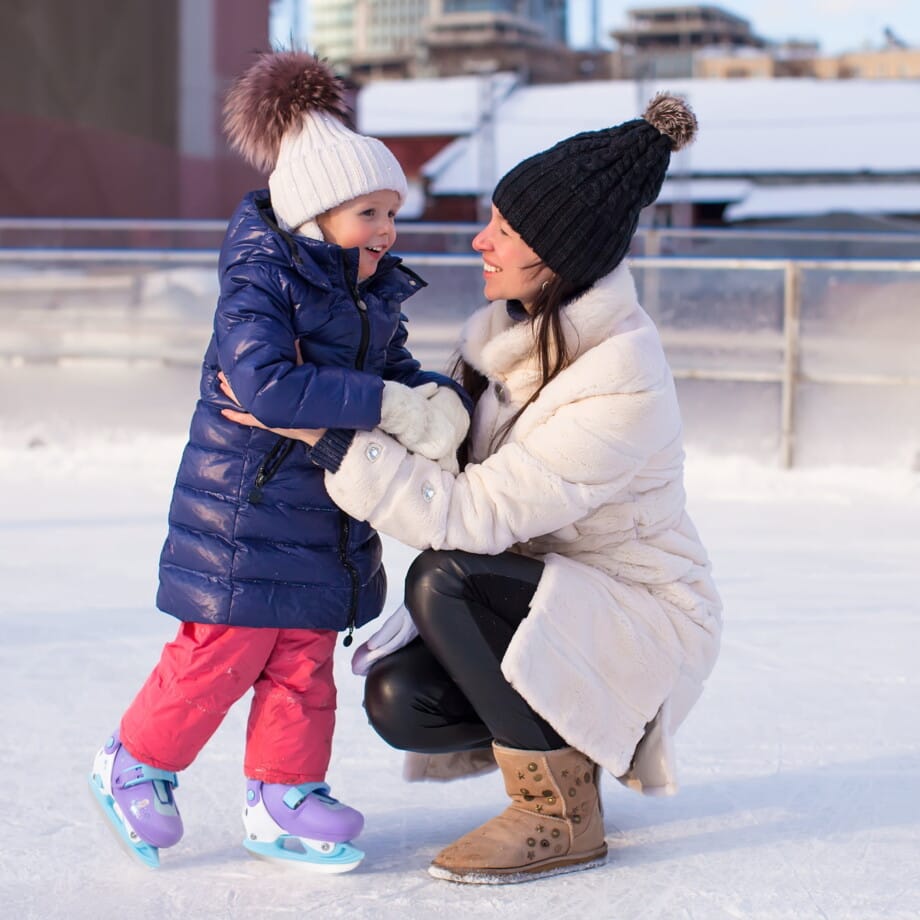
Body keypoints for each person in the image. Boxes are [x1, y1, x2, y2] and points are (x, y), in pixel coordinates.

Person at [221, 93, 722, 885]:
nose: (480, 240)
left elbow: (472, 512)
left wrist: (327, 435)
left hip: (640, 613)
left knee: (442, 578)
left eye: (506, 232)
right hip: (552, 591)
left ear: (555, 257)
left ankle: (561, 813)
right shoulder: (503, 341)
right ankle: (563, 757)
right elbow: (451, 470)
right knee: (401, 697)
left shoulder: (620, 380)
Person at [88, 50, 470, 871]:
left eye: (392, 214)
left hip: (326, 513)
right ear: (316, 213)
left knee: (302, 659)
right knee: (222, 651)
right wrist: (384, 404)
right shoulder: (262, 279)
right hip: (245, 510)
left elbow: (393, 371)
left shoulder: (368, 292)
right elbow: (265, 384)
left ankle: (283, 794)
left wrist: (434, 395)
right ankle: (133, 763)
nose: (387, 232)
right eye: (370, 213)